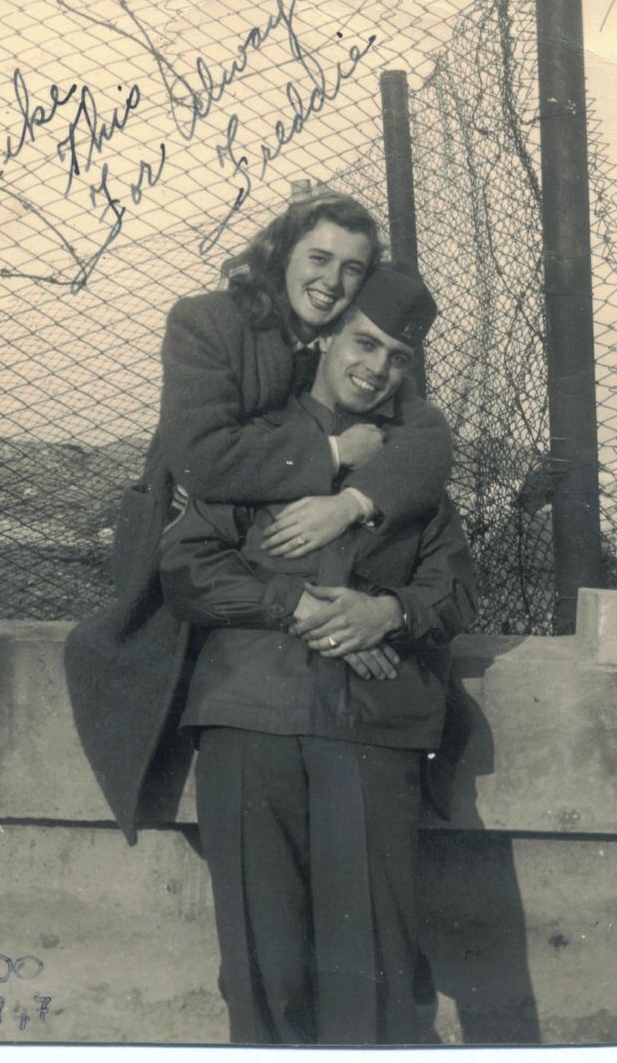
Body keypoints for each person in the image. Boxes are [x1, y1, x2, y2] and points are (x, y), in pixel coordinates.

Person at [66, 193, 454, 845]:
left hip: (292, 551)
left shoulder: (350, 341)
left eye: (352, 269)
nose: (331, 281)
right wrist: (332, 451)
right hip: (192, 544)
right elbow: (206, 460)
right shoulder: (205, 322)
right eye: (320, 258)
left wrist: (351, 503)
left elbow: (428, 439)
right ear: (281, 253)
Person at [158, 265, 477, 1045]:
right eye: (364, 342)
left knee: (372, 962)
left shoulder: (414, 464)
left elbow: (457, 589)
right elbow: (188, 564)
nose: (376, 367)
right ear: (329, 337)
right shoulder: (262, 441)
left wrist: (386, 612)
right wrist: (296, 607)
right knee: (265, 968)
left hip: (372, 732)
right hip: (252, 717)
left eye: (398, 357)